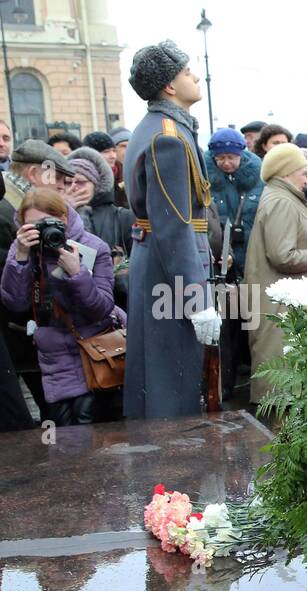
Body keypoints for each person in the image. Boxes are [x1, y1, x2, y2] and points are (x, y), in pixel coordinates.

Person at [121, 40, 221, 420]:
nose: (195, 77)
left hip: (159, 263)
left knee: (159, 372)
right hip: (172, 270)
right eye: (185, 72)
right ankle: (172, 472)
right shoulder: (169, 137)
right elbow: (175, 226)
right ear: (169, 86)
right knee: (172, 382)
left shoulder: (158, 128)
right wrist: (197, 301)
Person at [1, 187, 118, 425]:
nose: (41, 231)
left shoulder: (92, 247)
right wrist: (21, 258)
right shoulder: (22, 249)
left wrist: (77, 272)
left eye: (47, 222)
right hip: (53, 358)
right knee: (64, 437)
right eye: (33, 225)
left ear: (63, 218)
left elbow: (101, 308)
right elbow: (14, 302)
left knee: (95, 434)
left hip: (93, 354)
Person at [242, 142, 307, 404]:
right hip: (279, 308)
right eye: (303, 172)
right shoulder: (281, 201)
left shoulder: (282, 197)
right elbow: (283, 256)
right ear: (286, 172)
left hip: (281, 304)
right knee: (280, 391)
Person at [205, 127, 263, 400]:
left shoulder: (257, 180)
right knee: (226, 322)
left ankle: (253, 375)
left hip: (250, 255)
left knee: (253, 316)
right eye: (221, 158)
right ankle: (225, 382)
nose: (226, 163)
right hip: (221, 259)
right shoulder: (207, 182)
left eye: (231, 157)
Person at [67, 148, 133, 308]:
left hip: (119, 304)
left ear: (96, 184)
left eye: (81, 182)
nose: (73, 187)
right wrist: (68, 211)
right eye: (68, 182)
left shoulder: (122, 216)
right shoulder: (59, 216)